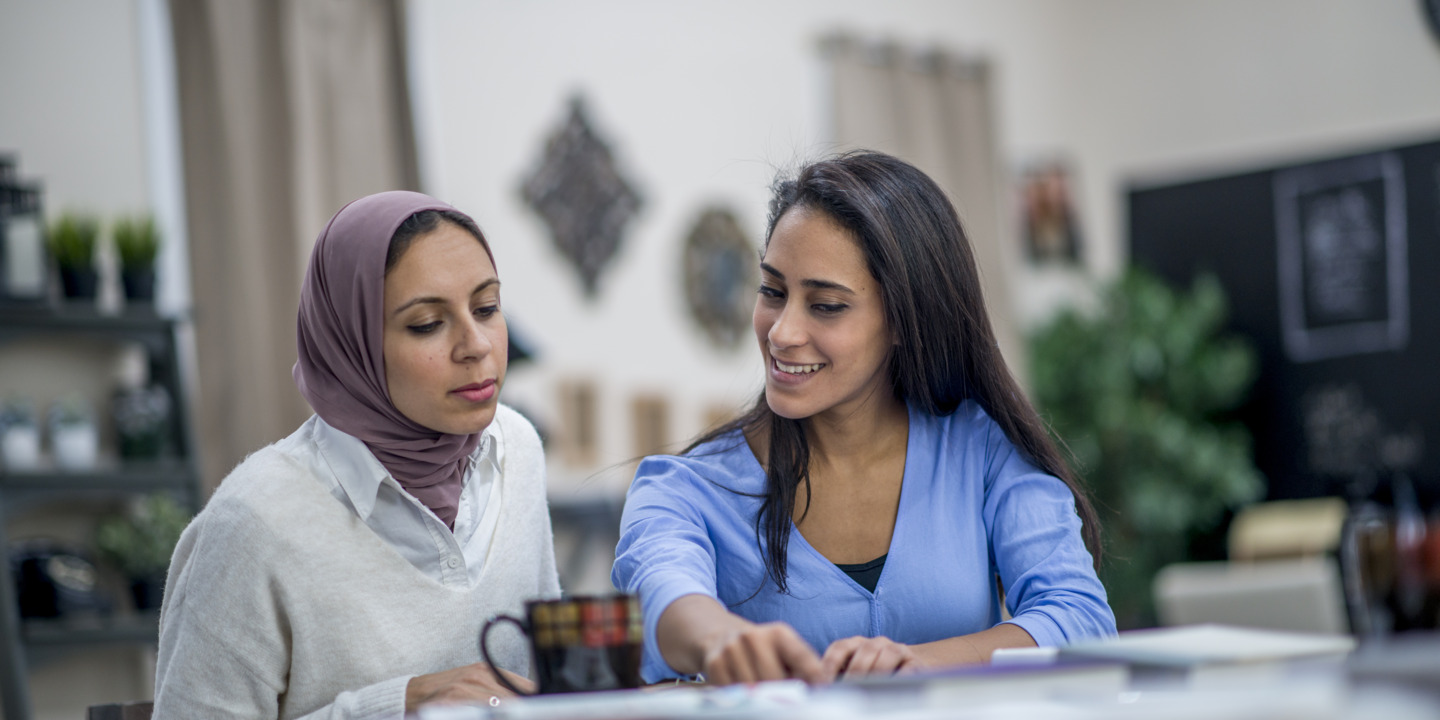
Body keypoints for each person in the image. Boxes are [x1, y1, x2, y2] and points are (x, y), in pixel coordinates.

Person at [612, 151, 1115, 685]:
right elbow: (658, 591)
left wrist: (918, 664)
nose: (782, 332)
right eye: (772, 291)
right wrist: (718, 638)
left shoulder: (982, 451)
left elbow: (1079, 617)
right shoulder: (688, 488)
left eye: (825, 305)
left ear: (904, 319)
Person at [153, 192, 560, 718]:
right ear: (351, 344)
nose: (476, 344)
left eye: (486, 308)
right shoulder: (256, 522)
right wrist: (401, 705)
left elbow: (550, 676)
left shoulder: (517, 450)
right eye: (427, 324)